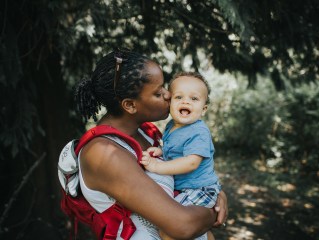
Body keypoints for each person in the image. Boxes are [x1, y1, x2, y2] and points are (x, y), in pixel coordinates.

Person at [74, 48, 228, 240]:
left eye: (164, 86)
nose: (169, 95)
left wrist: (215, 193)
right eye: (158, 92)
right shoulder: (103, 153)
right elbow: (183, 225)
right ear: (130, 105)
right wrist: (215, 208)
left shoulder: (145, 133)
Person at [140, 72, 220, 240]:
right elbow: (174, 149)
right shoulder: (171, 126)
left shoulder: (199, 132)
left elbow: (191, 162)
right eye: (179, 97)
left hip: (200, 189)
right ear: (170, 103)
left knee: (168, 229)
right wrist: (161, 152)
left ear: (203, 109)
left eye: (194, 99)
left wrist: (157, 166)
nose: (186, 101)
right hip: (185, 189)